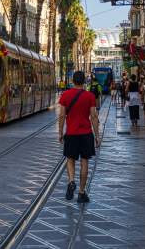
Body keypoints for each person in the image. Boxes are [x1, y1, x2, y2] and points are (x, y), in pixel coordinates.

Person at [59, 71, 101, 203]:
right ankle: (81, 193)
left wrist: (60, 132)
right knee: (84, 162)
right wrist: (97, 136)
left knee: (70, 159)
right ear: (84, 81)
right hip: (86, 133)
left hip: (71, 133)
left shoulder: (65, 94)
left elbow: (61, 115)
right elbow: (93, 117)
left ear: (72, 81)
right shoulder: (90, 96)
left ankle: (71, 181)